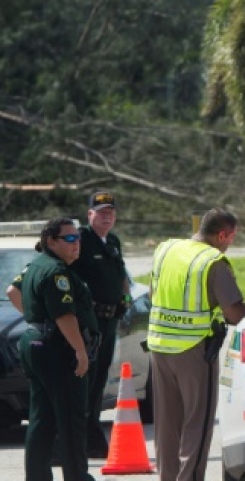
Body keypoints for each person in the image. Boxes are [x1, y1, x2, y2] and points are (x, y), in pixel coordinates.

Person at [148, 208, 245, 481]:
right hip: (193, 350)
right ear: (221, 235)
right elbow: (234, 314)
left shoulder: (166, 249)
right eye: (231, 238)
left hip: (159, 347)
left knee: (167, 424)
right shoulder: (212, 261)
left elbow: (153, 293)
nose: (230, 243)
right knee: (198, 422)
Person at [13, 218, 99, 481]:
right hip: (58, 349)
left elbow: (11, 291)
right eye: (70, 239)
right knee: (71, 420)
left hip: (36, 341)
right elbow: (64, 315)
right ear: (51, 241)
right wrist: (80, 351)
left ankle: (37, 477)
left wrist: (37, 319)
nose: (77, 244)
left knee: (42, 419)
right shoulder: (56, 272)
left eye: (79, 238)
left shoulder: (36, 265)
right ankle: (77, 476)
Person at [72, 190, 131, 458]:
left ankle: (92, 438)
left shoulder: (113, 242)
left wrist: (125, 298)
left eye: (111, 212)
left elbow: (121, 276)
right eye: (101, 212)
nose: (107, 217)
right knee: (87, 380)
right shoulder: (81, 240)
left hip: (110, 321)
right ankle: (78, 440)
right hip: (89, 323)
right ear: (89, 214)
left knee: (99, 382)